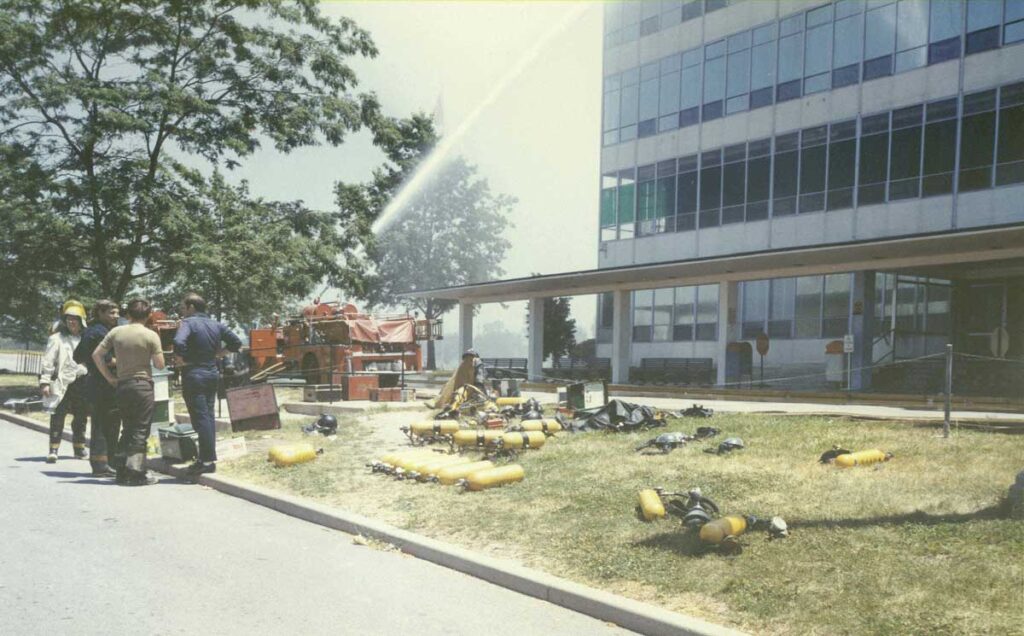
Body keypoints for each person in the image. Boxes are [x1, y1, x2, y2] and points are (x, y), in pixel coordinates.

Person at [92, 299, 165, 486]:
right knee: (140, 430)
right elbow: (159, 364)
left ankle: (121, 471)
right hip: (142, 385)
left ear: (128, 315)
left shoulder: (116, 332)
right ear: (148, 315)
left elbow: (96, 355)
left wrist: (109, 377)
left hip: (122, 385)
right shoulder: (150, 335)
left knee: (127, 428)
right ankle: (136, 473)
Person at [172, 293, 241, 476]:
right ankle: (207, 458)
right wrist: (219, 354)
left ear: (191, 307)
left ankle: (206, 460)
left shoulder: (187, 323)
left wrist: (182, 359)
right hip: (212, 373)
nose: (181, 310)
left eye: (183, 307)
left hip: (194, 374)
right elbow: (236, 342)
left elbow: (178, 341)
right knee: (208, 417)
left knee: (200, 418)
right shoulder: (215, 324)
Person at [73, 299, 122, 477]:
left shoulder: (91, 331)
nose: (116, 316)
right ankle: (103, 465)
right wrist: (126, 362)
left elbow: (77, 355)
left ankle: (104, 462)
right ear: (100, 313)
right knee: (105, 423)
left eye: (117, 312)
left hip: (95, 382)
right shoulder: (100, 333)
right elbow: (107, 359)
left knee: (103, 422)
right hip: (105, 383)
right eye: (111, 312)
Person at [40, 300, 89, 463]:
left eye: (75, 318)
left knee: (81, 416)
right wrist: (45, 382)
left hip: (82, 383)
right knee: (58, 415)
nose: (71, 321)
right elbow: (48, 361)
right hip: (62, 382)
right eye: (68, 318)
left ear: (81, 320)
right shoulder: (57, 338)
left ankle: (79, 448)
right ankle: (53, 449)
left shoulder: (87, 337)